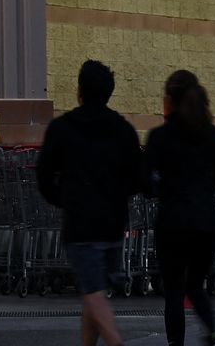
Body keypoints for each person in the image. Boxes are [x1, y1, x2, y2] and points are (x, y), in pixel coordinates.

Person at [36, 60, 147, 346]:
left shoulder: (62, 128)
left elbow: (44, 174)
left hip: (81, 223)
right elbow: (137, 177)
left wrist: (63, 198)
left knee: (93, 291)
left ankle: (114, 342)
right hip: (112, 224)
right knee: (93, 290)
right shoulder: (124, 130)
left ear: (79, 91)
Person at [146, 70, 215, 346]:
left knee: (173, 290)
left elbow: (145, 179)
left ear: (169, 101)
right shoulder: (212, 135)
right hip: (207, 222)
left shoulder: (160, 137)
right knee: (195, 285)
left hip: (173, 222)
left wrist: (162, 189)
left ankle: (176, 344)